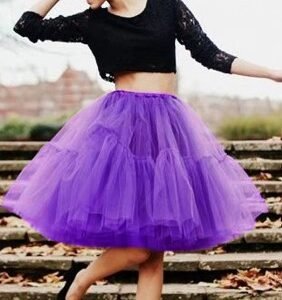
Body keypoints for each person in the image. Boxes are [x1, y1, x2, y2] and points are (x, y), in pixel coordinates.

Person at [2, 0, 281, 299]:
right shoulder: (91, 22)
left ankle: (81, 281)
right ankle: (81, 280)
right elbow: (27, 25)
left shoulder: (167, 7)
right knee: (138, 250)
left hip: (167, 131)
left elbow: (209, 53)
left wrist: (272, 73)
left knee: (153, 256)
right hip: (122, 133)